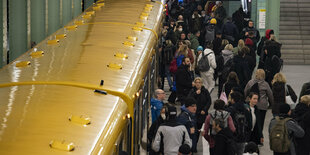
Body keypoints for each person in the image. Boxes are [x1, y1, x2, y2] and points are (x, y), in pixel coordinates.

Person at [244, 69, 273, 133]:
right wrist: (272, 104)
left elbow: (245, 92)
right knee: (261, 122)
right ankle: (259, 136)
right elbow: (270, 95)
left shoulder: (250, 82)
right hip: (262, 106)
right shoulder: (265, 84)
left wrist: (246, 99)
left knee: (251, 120)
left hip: (252, 104)